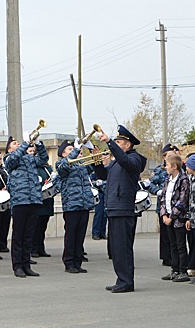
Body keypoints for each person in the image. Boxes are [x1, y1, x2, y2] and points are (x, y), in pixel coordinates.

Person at [93, 125, 146, 293]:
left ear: (128, 145)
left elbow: (124, 161)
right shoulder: (117, 162)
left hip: (123, 208)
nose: (115, 143)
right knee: (116, 248)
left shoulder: (134, 159)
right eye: (115, 141)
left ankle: (126, 282)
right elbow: (102, 175)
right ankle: (121, 279)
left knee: (123, 247)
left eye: (119, 141)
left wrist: (109, 142)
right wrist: (96, 162)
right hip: (114, 208)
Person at [5, 136, 48, 278]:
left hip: (34, 199)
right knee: (19, 235)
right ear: (10, 149)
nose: (18, 144)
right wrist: (24, 145)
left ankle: (26, 264)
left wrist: (38, 144)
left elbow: (43, 159)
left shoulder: (30, 158)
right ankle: (17, 266)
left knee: (29, 235)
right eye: (15, 143)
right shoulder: (9, 158)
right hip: (20, 200)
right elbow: (13, 160)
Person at [56, 139, 95, 273]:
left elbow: (96, 162)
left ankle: (77, 262)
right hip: (72, 204)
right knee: (71, 235)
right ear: (63, 154)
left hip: (84, 204)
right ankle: (69, 262)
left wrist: (91, 148)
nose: (73, 151)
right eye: (69, 150)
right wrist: (76, 150)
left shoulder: (81, 165)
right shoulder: (61, 164)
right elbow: (65, 167)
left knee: (80, 235)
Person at [144, 143, 178, 266]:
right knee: (165, 233)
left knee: (177, 234)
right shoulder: (159, 170)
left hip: (177, 206)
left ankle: (176, 256)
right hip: (163, 206)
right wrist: (157, 191)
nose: (172, 156)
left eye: (174, 154)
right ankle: (166, 257)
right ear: (164, 157)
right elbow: (150, 184)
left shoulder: (179, 169)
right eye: (169, 155)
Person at [160, 154, 190, 282]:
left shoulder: (183, 180)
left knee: (180, 245)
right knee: (172, 244)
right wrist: (164, 215)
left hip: (178, 218)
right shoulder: (168, 179)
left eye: (167, 165)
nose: (165, 167)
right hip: (168, 216)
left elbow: (182, 201)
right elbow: (163, 197)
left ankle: (183, 270)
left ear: (174, 166)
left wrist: (171, 216)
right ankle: (175, 269)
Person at [32, 160, 56, 258]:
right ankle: (33, 249)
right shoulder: (34, 168)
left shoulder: (47, 168)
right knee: (36, 228)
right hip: (39, 200)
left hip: (47, 200)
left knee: (42, 227)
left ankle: (40, 248)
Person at [185, 154, 195, 281]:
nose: (186, 167)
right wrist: (188, 218)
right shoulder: (190, 179)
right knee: (192, 243)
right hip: (192, 218)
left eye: (188, 165)